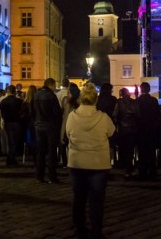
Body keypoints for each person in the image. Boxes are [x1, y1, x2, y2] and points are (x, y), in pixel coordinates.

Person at [66, 83, 116, 239]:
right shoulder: (103, 117)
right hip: (98, 163)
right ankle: (96, 230)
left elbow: (68, 134)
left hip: (77, 162)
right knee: (97, 200)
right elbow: (112, 132)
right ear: (96, 100)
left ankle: (79, 227)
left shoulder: (72, 116)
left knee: (78, 198)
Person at [33, 77, 63, 183]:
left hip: (38, 126)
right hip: (50, 127)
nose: (55, 88)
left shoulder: (36, 95)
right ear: (50, 85)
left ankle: (39, 175)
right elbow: (57, 113)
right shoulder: (51, 96)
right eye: (54, 86)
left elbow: (32, 112)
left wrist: (35, 122)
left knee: (40, 152)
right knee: (51, 152)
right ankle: (52, 176)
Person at [136, 81, 161, 181]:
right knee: (151, 152)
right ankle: (152, 172)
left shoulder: (137, 100)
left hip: (141, 130)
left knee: (142, 152)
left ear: (141, 90)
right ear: (149, 89)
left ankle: (142, 172)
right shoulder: (154, 100)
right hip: (151, 130)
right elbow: (157, 115)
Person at [112, 87, 140, 179]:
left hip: (123, 129)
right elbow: (138, 114)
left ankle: (126, 168)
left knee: (124, 149)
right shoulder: (134, 102)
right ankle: (130, 168)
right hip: (133, 128)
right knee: (131, 149)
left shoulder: (119, 102)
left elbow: (115, 114)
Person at [0, 85, 23, 166]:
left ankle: (10, 158)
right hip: (16, 122)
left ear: (7, 91)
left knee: (9, 141)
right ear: (14, 91)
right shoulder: (19, 101)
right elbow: (22, 112)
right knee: (14, 142)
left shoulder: (3, 101)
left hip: (7, 122)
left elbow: (1, 113)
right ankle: (11, 158)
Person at [59, 83, 80, 167]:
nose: (67, 94)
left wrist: (62, 133)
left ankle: (66, 163)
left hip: (69, 128)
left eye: (69, 93)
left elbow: (65, 119)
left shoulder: (68, 104)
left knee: (64, 145)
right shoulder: (80, 104)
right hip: (77, 129)